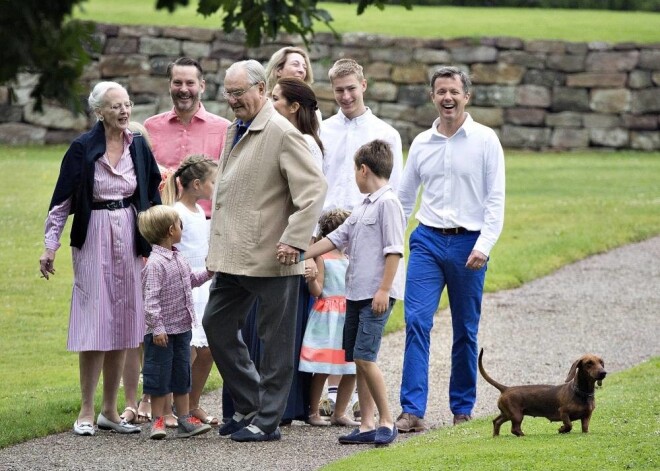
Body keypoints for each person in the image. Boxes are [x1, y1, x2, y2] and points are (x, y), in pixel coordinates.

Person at [202, 60, 326, 442]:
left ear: (260, 88)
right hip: (234, 255)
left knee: (275, 344)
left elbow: (313, 192)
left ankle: (267, 421)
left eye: (239, 93)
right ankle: (251, 402)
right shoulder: (234, 129)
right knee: (216, 324)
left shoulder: (282, 132)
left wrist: (294, 240)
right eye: (228, 93)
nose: (232, 100)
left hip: (275, 256)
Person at [39, 81, 162, 436]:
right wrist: (51, 246)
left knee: (124, 324)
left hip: (129, 232)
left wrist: (158, 241)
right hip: (93, 234)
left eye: (127, 104)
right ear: (99, 112)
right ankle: (87, 410)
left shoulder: (137, 145)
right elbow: (61, 202)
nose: (124, 111)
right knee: (95, 322)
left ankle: (110, 410)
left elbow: (151, 194)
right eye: (115, 107)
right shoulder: (82, 148)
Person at [395, 66, 506, 433]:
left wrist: (484, 245)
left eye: (454, 92)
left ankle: (462, 408)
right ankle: (412, 410)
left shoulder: (486, 140)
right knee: (416, 322)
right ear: (432, 96)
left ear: (466, 96)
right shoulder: (423, 143)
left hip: (468, 245)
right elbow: (405, 197)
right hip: (427, 240)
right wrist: (392, 242)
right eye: (441, 91)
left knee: (465, 330)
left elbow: (495, 200)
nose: (447, 98)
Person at [301, 139, 406, 446]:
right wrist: (297, 253)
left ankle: (387, 421)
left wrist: (384, 289)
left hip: (376, 294)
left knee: (365, 356)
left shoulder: (388, 203)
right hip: (356, 295)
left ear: (363, 169)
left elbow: (394, 251)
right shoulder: (363, 207)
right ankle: (367, 425)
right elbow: (334, 239)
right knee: (357, 358)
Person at [319, 57, 404, 418]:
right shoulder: (322, 129)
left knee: (361, 325)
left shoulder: (385, 133)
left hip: (367, 235)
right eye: (338, 90)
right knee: (327, 320)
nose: (345, 96)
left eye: (351, 88)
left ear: (364, 85)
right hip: (328, 233)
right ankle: (327, 396)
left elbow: (393, 191)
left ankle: (363, 409)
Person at [137, 205, 214, 439]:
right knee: (159, 377)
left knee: (182, 375)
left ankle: (184, 419)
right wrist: (157, 328)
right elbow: (150, 301)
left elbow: (190, 280)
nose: (182, 228)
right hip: (161, 334)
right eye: (180, 225)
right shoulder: (155, 264)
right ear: (171, 230)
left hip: (182, 328)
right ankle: (158, 421)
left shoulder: (178, 257)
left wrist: (209, 271)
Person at [161, 155, 219, 426]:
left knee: (208, 350)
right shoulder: (176, 213)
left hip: (206, 284)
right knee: (187, 350)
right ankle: (172, 408)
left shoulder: (202, 213)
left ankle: (193, 402)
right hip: (186, 286)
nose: (215, 186)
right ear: (197, 184)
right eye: (212, 182)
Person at [143, 56, 230, 218]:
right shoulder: (150, 127)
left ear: (202, 86)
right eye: (177, 83)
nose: (183, 89)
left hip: (206, 223)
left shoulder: (224, 128)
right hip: (161, 222)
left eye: (190, 83)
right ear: (169, 86)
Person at [298, 209, 358, 428]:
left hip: (347, 315)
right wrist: (312, 280)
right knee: (322, 366)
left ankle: (340, 412)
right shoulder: (322, 258)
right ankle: (313, 412)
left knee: (351, 367)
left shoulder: (349, 257)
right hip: (327, 319)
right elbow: (318, 291)